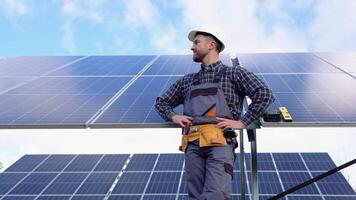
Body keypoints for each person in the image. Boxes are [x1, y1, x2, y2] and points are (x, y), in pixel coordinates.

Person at [155, 27, 275, 200]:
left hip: (220, 141)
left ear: (211, 45)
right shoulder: (187, 80)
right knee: (195, 196)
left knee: (216, 194)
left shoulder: (234, 73)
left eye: (196, 42)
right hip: (192, 143)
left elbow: (264, 94)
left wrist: (242, 122)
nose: (192, 47)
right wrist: (174, 116)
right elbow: (161, 102)